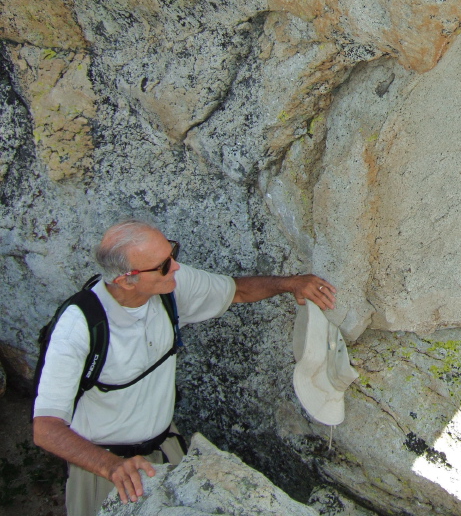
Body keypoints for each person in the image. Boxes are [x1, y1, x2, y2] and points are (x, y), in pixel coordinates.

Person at [32, 219, 336, 516]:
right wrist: (109, 466)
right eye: (164, 264)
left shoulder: (170, 286)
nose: (175, 266)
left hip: (163, 448)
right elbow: (46, 429)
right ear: (127, 279)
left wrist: (291, 283)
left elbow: (237, 291)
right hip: (104, 466)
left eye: (172, 253)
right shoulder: (78, 328)